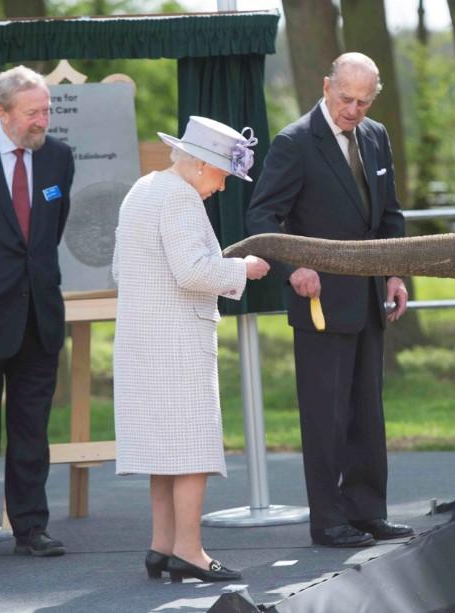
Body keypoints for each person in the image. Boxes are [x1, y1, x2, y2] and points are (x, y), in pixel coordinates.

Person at [246, 52, 413, 548]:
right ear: (326, 87)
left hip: (369, 298)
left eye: (363, 102)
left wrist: (394, 273)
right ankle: (329, 520)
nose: (353, 110)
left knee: (367, 413)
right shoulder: (295, 142)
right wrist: (293, 266)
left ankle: (368, 511)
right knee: (326, 417)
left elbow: (389, 216)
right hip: (319, 302)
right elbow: (262, 217)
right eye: (346, 99)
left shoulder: (376, 136)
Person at [112, 116, 270, 581]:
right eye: (223, 174)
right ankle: (189, 550)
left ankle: (161, 546)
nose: (222, 186)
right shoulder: (180, 197)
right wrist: (243, 268)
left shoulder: (143, 188)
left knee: (164, 449)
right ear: (201, 164)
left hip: (143, 339)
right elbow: (193, 271)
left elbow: (121, 268)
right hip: (177, 341)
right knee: (192, 449)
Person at [0, 66, 74, 562]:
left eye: (46, 111)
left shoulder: (58, 157)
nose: (42, 121)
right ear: (2, 111)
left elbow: (51, 231)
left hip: (39, 314)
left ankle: (31, 527)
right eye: (32, 112)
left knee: (32, 430)